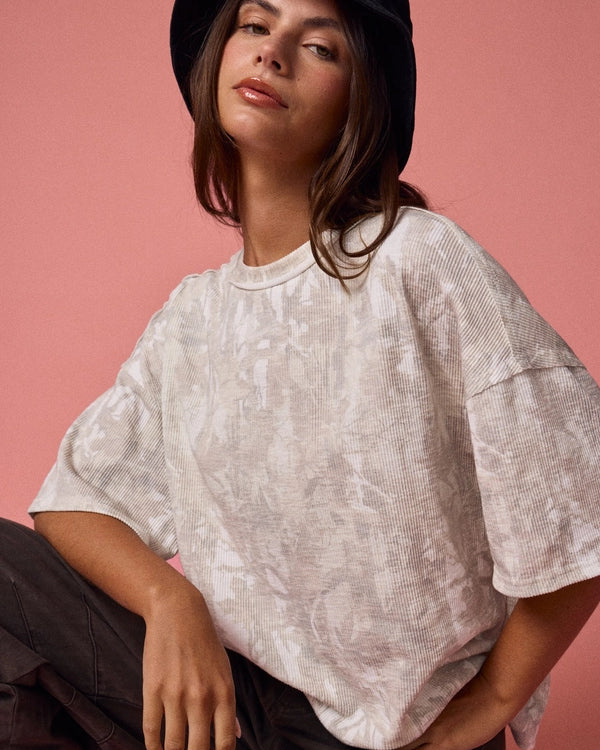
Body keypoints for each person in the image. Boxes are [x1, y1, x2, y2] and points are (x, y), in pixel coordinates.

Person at [1, 1, 599, 749]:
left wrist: (494, 700)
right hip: (236, 712)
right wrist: (169, 600)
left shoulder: (417, 259)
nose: (273, 52)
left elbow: (582, 492)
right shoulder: (194, 318)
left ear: (360, 105)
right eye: (255, 26)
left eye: (319, 47)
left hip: (392, 734)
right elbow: (73, 502)